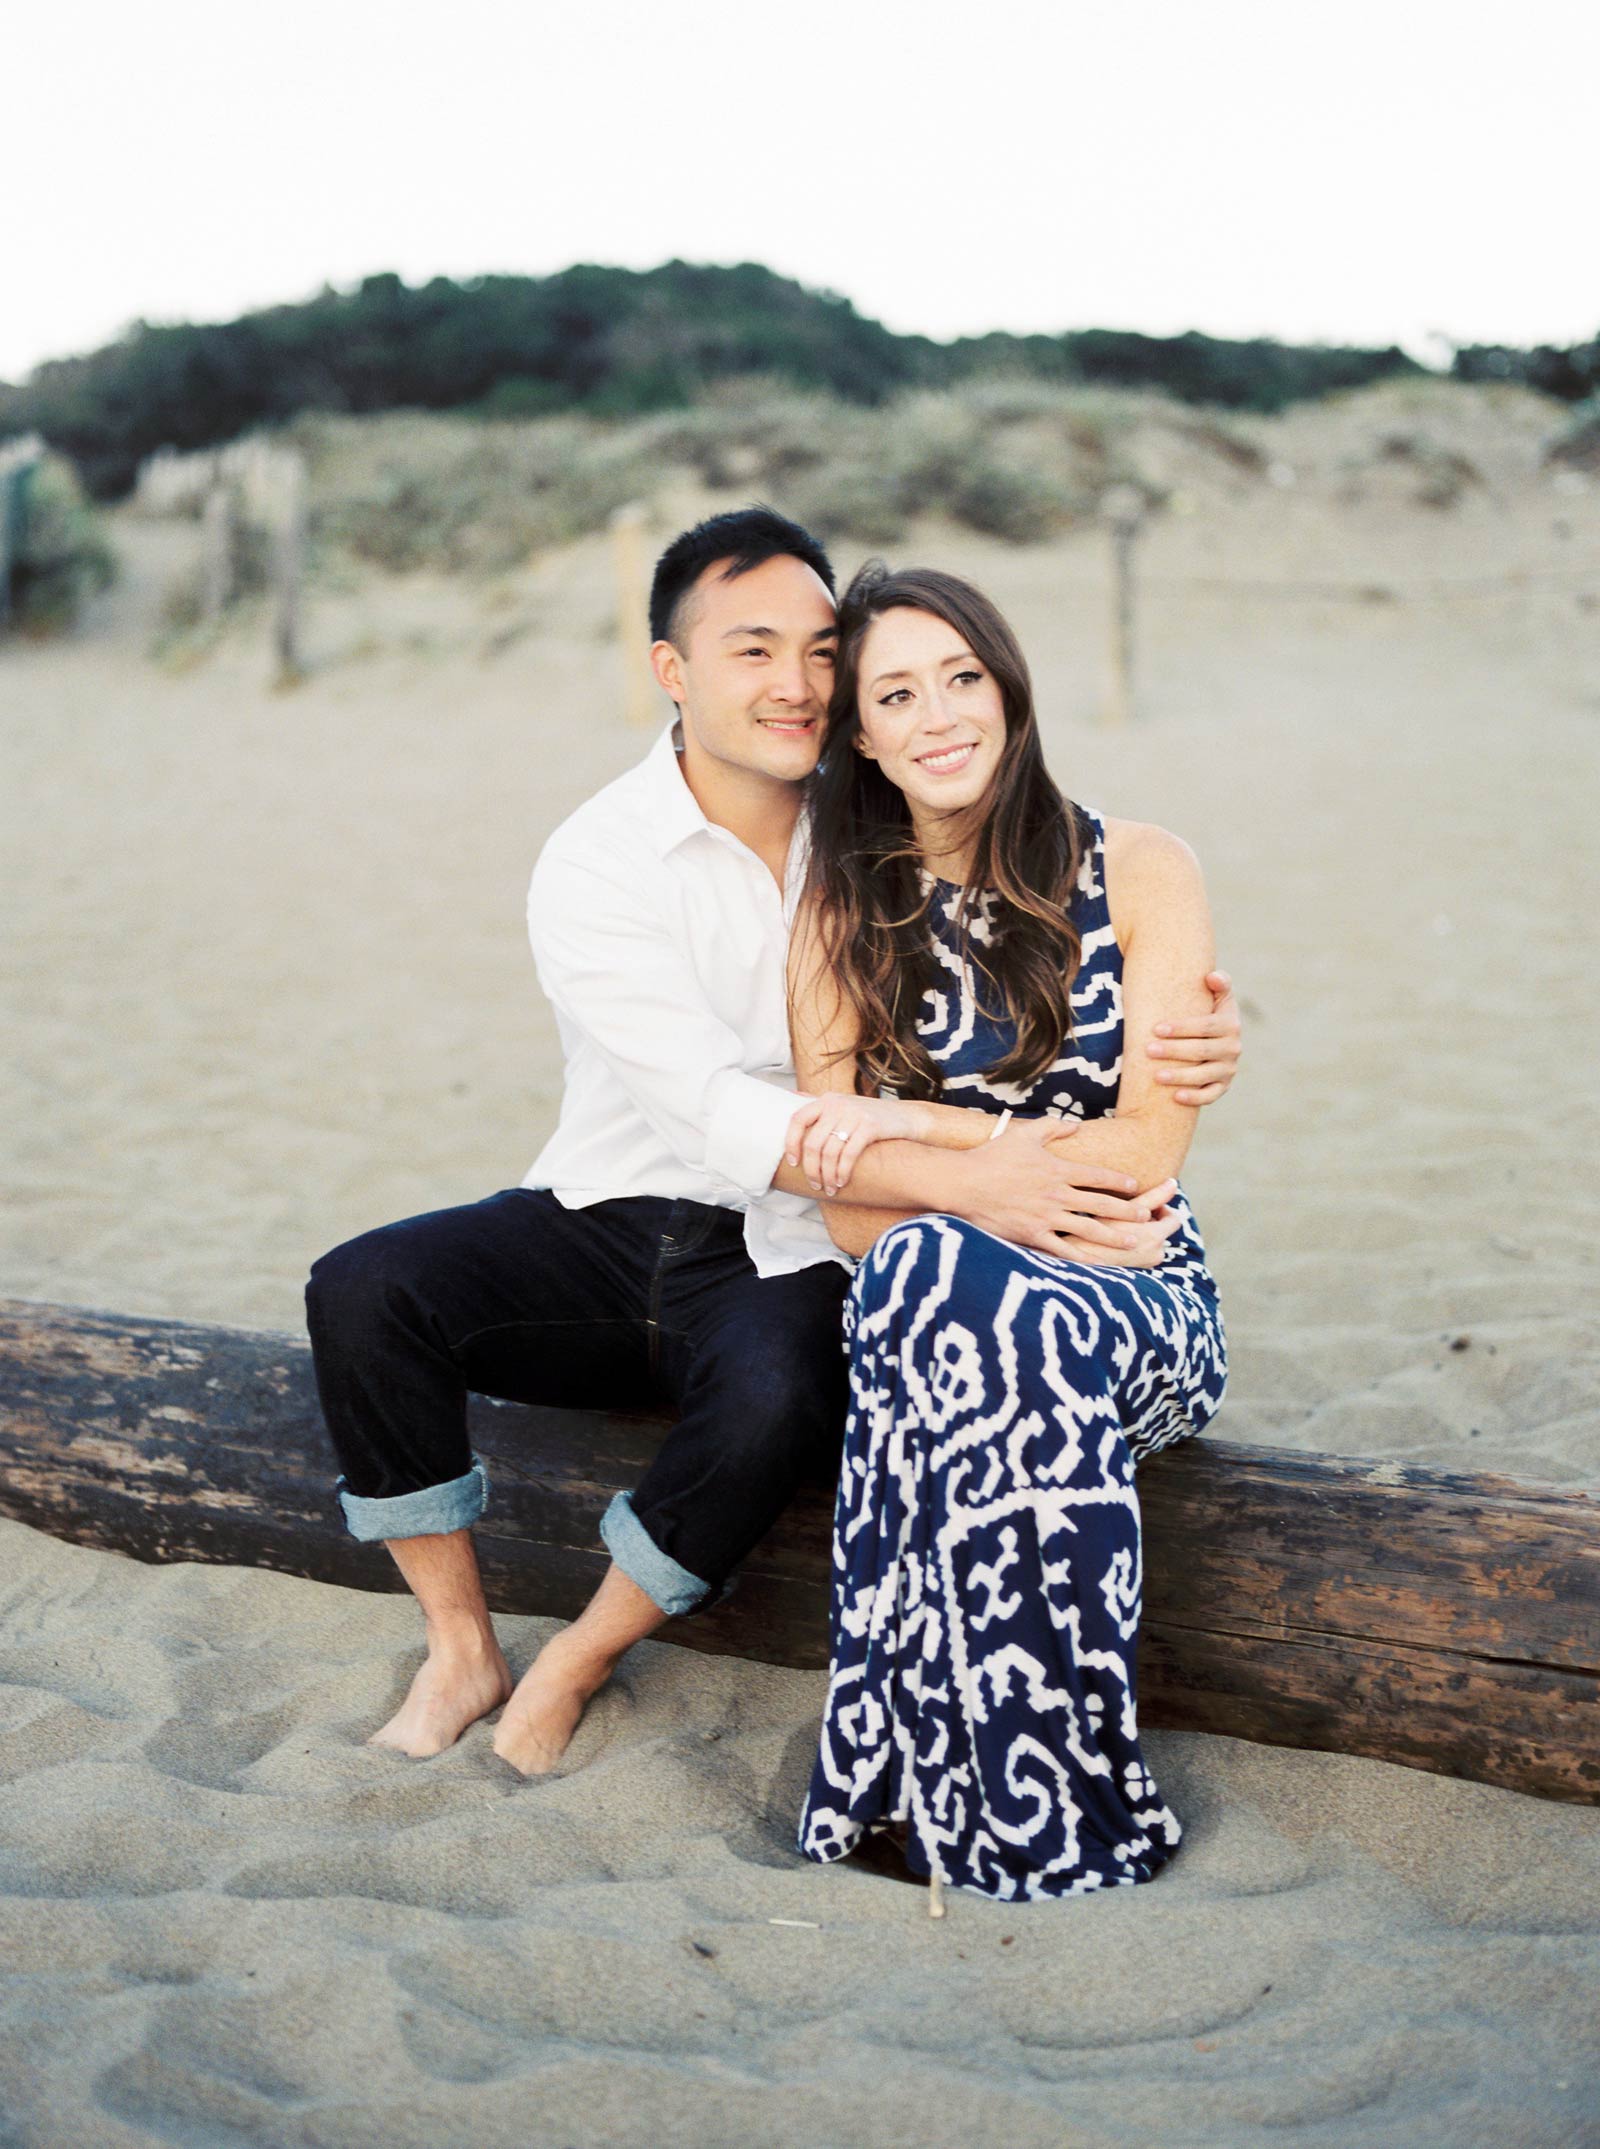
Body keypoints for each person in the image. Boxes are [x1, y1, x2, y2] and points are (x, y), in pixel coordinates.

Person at [303, 509, 1242, 1778]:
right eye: (754, 651)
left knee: (775, 1392)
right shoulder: (599, 858)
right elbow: (712, 1113)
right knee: (364, 1289)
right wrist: (976, 1151)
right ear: (672, 672)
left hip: (795, 1239)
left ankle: (582, 1655)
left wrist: (1182, 1050)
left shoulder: (876, 834)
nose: (795, 685)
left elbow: (1058, 984)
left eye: (817, 652)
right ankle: (460, 1643)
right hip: (623, 1203)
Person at [787, 561, 1228, 1901]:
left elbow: (1145, 1152)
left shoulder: (1141, 867)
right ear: (859, 734)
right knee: (939, 1270)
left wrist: (911, 1143)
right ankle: (1046, 1809)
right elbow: (838, 1197)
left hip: (1133, 1281)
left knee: (956, 1281)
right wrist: (990, 1167)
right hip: (947, 1305)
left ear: (1009, 687)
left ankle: (907, 1784)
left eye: (962, 678)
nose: (939, 717)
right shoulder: (840, 908)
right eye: (897, 694)